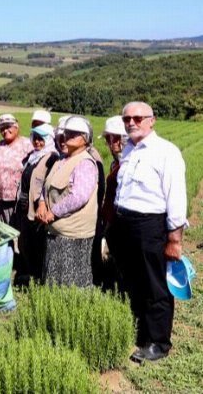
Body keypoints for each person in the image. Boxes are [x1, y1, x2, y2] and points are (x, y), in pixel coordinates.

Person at [114, 102, 187, 362]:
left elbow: (176, 197)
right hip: (126, 224)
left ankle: (158, 342)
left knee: (155, 284)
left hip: (150, 226)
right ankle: (141, 332)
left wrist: (174, 239)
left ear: (152, 120)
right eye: (126, 119)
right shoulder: (129, 151)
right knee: (134, 281)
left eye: (137, 118)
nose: (131, 122)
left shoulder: (165, 152)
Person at [37, 116, 99, 287]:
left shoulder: (85, 163)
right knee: (54, 278)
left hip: (73, 234)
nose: (69, 135)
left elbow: (78, 196)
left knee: (72, 282)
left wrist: (52, 213)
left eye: (75, 133)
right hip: (57, 230)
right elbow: (46, 186)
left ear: (85, 139)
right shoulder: (62, 160)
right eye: (68, 132)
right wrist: (42, 203)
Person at [13, 124, 59, 285]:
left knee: (37, 243)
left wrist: (42, 203)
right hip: (26, 205)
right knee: (26, 242)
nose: (38, 142)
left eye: (41, 139)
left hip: (38, 207)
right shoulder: (34, 155)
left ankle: (40, 278)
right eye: (35, 138)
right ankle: (32, 274)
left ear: (49, 140)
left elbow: (48, 182)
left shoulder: (52, 157)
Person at [96, 115, 127, 290]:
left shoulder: (128, 163)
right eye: (107, 139)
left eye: (110, 138)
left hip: (121, 222)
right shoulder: (116, 162)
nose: (108, 143)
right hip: (112, 220)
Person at [0, 114, 33, 225]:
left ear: (16, 127)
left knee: (17, 232)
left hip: (17, 200)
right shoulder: (0, 145)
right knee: (2, 232)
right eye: (2, 128)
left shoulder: (27, 144)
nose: (5, 130)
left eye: (8, 127)